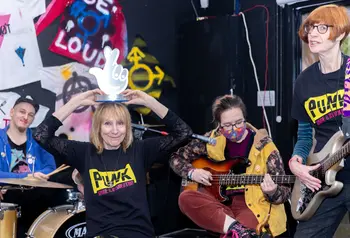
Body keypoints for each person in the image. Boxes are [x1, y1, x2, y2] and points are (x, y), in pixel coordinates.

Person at [33, 88, 192, 238]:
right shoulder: (84, 153)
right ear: (98, 127)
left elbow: (183, 132)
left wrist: (148, 101)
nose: (115, 131)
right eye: (108, 124)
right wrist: (77, 102)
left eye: (120, 123)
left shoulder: (140, 150)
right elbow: (41, 134)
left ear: (127, 126)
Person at [170, 95, 290, 238]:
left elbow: (284, 192)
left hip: (251, 205)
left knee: (232, 235)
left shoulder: (265, 146)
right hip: (217, 203)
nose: (234, 128)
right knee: (185, 198)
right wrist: (192, 173)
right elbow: (176, 158)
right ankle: (238, 229)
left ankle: (237, 230)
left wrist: (272, 192)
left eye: (239, 122)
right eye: (227, 125)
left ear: (245, 118)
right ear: (219, 126)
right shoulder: (211, 140)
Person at [289, 4, 350, 237]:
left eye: (322, 28)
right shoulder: (303, 82)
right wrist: (296, 162)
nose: (312, 34)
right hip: (322, 179)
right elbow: (305, 135)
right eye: (310, 28)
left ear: (341, 34)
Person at [0, 96, 57, 237]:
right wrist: (26, 176)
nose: (26, 117)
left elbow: (50, 166)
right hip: (6, 201)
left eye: (30, 115)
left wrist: (41, 174)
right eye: (22, 112)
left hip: (35, 202)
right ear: (12, 112)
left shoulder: (38, 140)